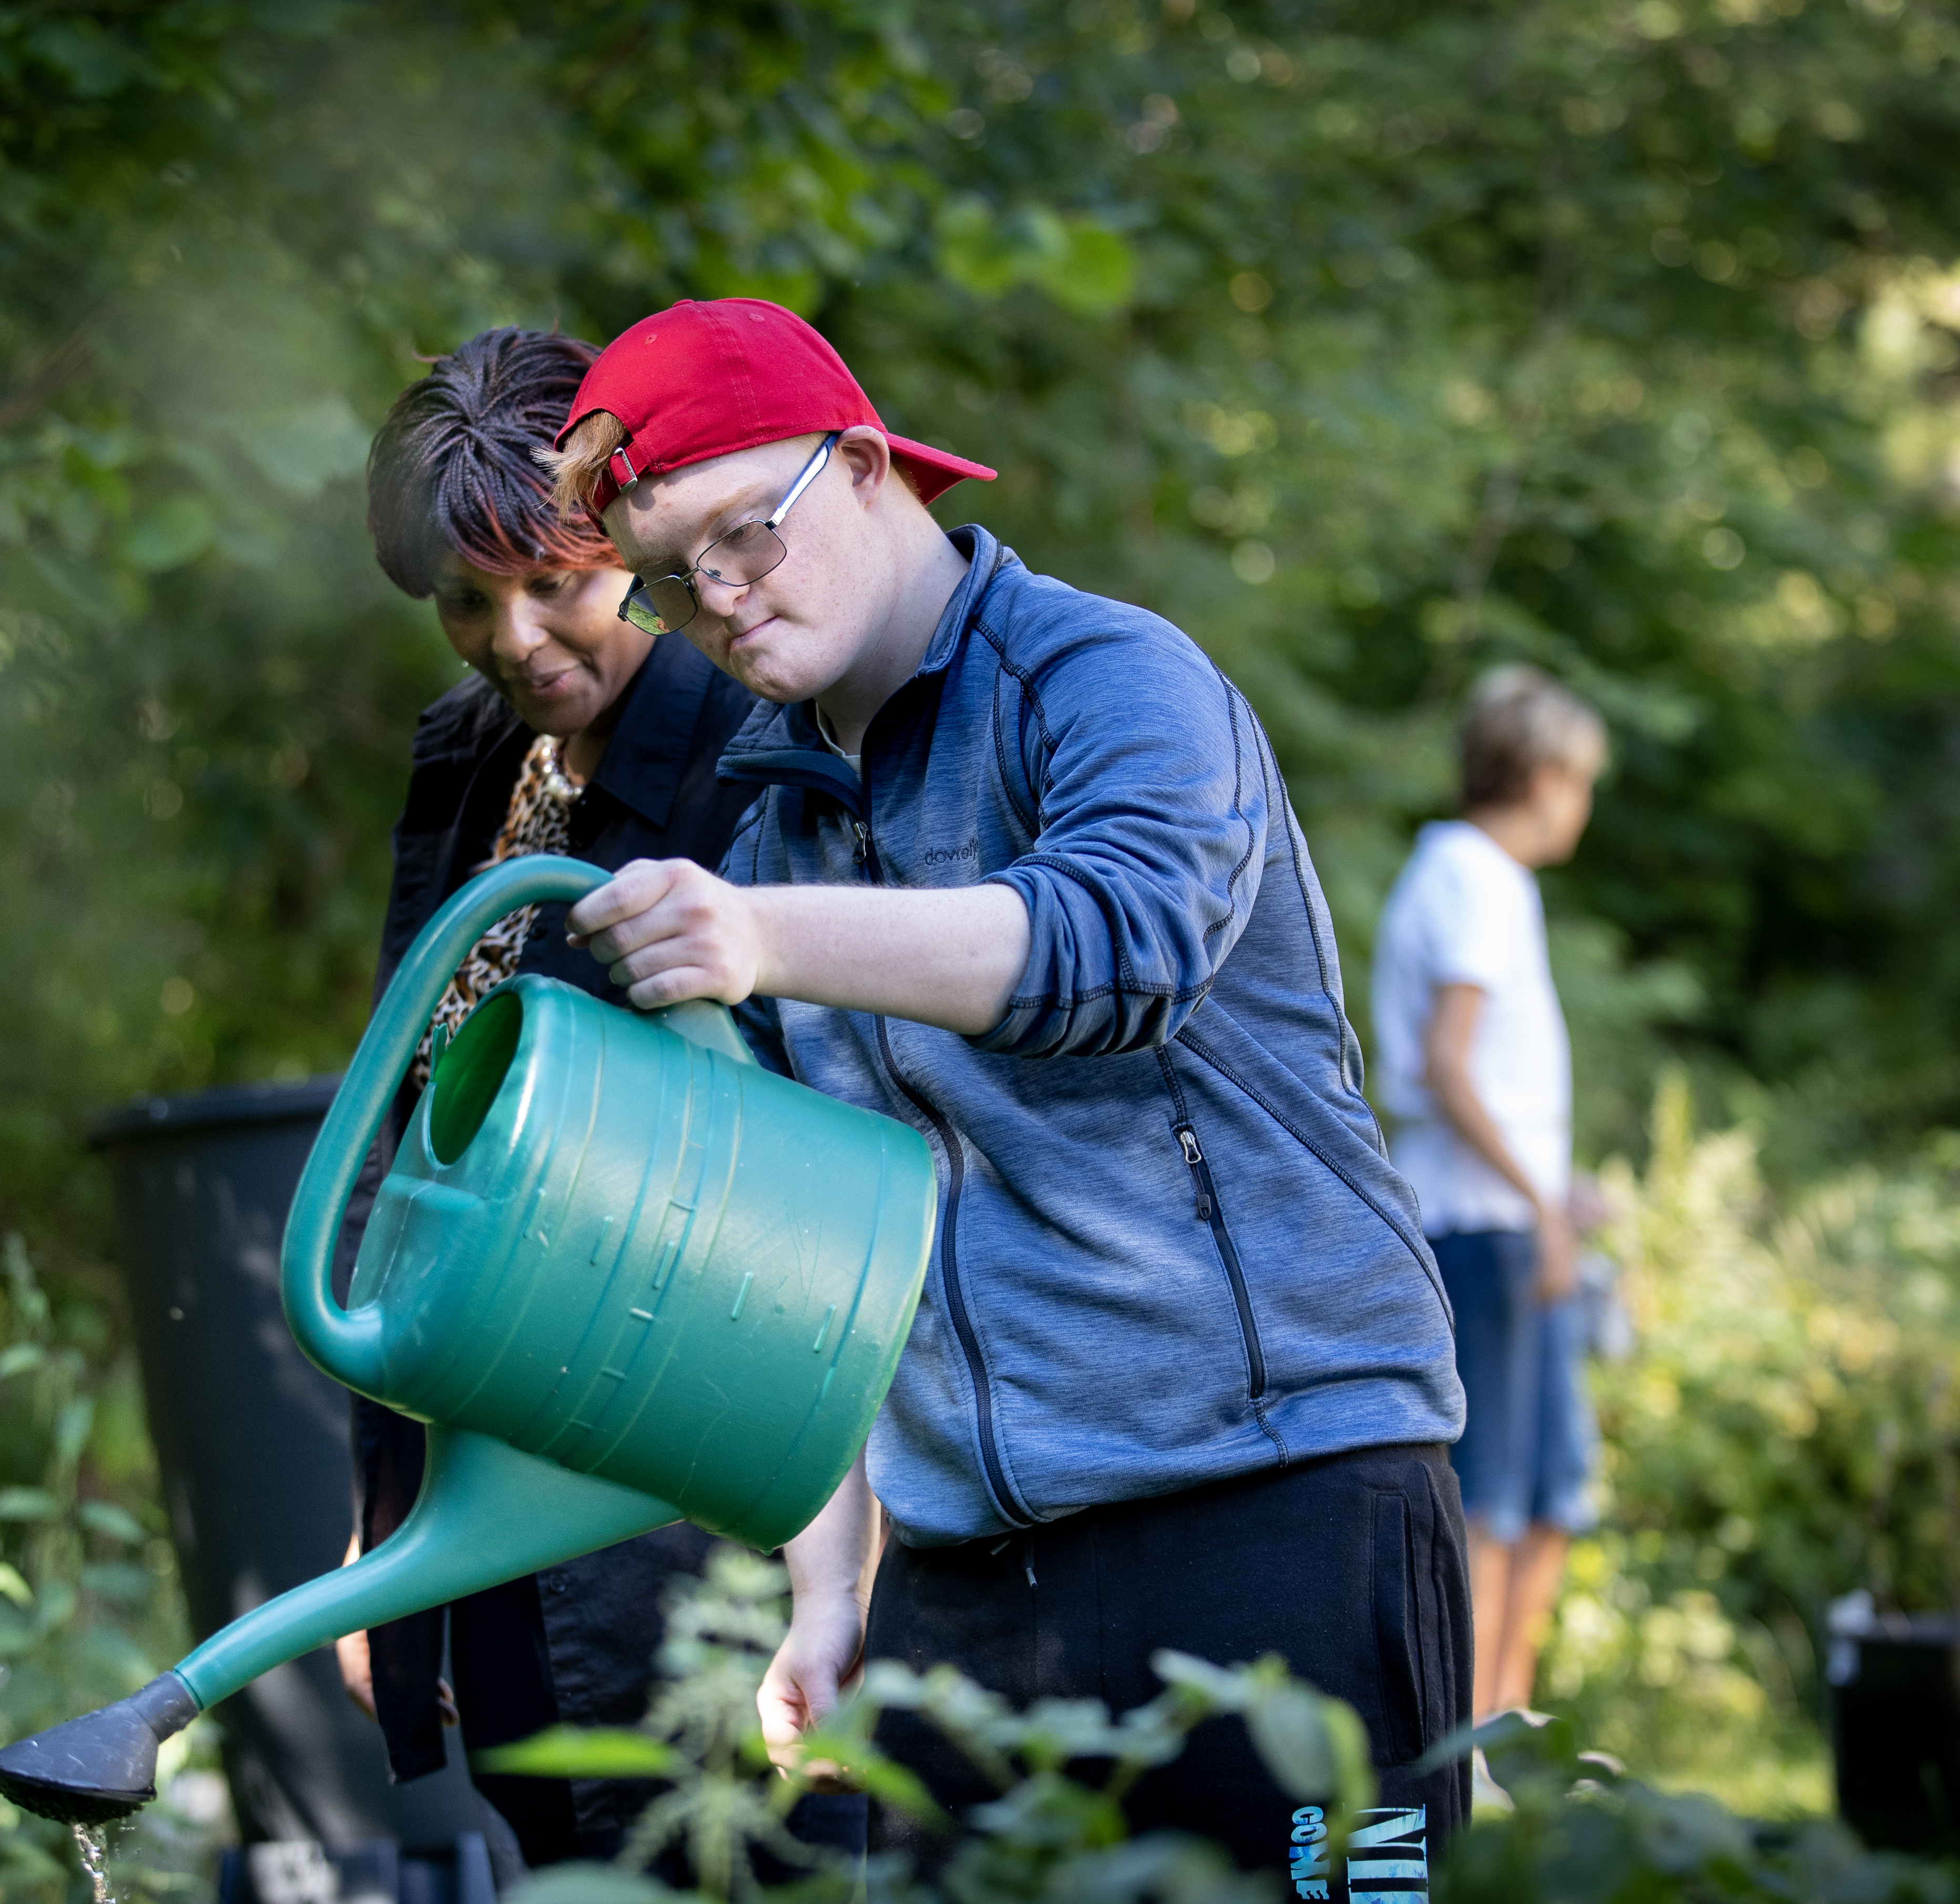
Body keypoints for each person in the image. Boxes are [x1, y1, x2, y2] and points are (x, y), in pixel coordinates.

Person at [545, 299, 1473, 1875]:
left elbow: (1118, 948)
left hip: (1279, 1509)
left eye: (743, 537)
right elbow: (819, 1263)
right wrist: (830, 1592)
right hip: (967, 1588)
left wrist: (761, 936)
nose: (721, 602)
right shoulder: (777, 830)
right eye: (672, 580)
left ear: (863, 465)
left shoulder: (1109, 677)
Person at [331, 326, 770, 1866]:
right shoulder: (471, 754)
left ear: (629, 548)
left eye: (553, 584)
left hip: (681, 1501)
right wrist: (384, 1520)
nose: (512, 639)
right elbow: (414, 1136)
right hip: (478, 1474)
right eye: (467, 600)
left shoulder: (752, 751)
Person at [1369, 666, 1608, 1725]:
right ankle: (1464, 1746)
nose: (1584, 805)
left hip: (1514, 1217)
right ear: (1547, 777)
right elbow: (1448, 1062)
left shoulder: (1491, 880)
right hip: (1479, 1226)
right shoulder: (1471, 878)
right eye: (1583, 783)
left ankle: (1513, 1727)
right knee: (1492, 1497)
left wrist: (1558, 1191)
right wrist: (1540, 1205)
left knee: (1556, 1487)